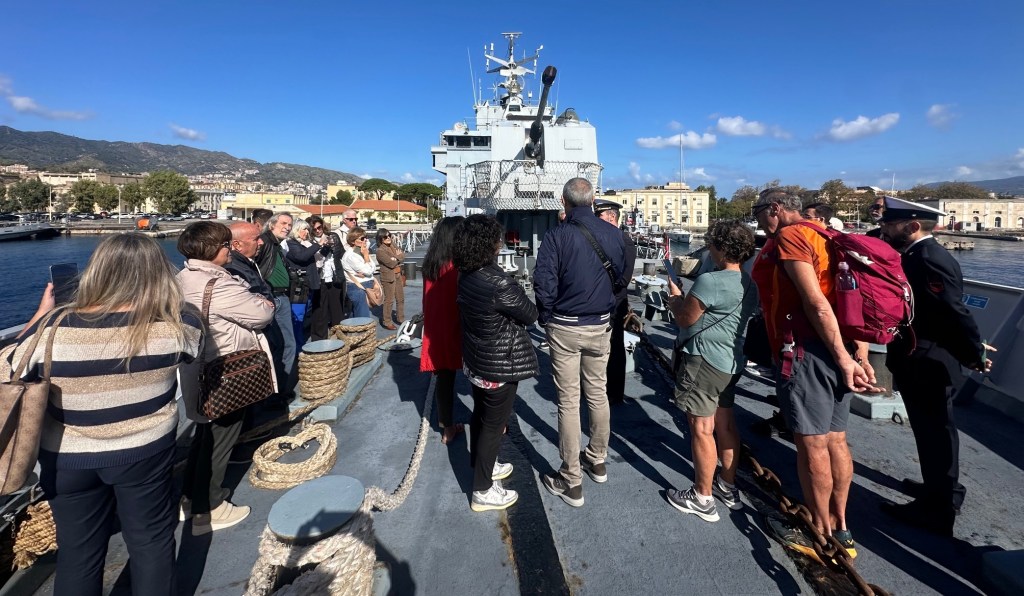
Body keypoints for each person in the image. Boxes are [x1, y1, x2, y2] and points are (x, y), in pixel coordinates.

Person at [4, 234, 202, 596]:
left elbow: (10, 370)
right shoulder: (181, 323)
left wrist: (40, 317)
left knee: (78, 555)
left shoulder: (55, 327)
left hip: (67, 458)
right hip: (145, 452)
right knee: (151, 543)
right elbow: (192, 353)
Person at [750, 187, 878, 559]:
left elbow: (817, 303)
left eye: (760, 213)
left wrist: (841, 357)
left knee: (812, 444)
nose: (759, 221)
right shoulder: (827, 235)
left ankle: (818, 532)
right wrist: (860, 354)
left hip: (808, 352)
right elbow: (852, 302)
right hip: (843, 349)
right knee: (837, 440)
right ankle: (841, 526)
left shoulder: (791, 236)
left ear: (774, 209)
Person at [877, 196, 994, 536]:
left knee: (935, 432)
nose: (884, 227)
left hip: (929, 360)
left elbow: (952, 312)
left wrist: (974, 353)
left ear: (912, 226)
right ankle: (941, 490)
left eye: (890, 223)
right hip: (921, 355)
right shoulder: (915, 255)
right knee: (931, 431)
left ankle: (938, 510)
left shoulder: (928, 259)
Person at [177, 221, 276, 535]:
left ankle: (190, 499)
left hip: (197, 368)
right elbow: (260, 314)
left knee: (203, 437)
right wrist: (265, 302)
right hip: (226, 370)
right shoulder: (217, 284)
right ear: (212, 250)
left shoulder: (182, 278)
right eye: (224, 245)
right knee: (223, 437)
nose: (228, 249)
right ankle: (212, 506)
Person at [535, 177, 627, 508]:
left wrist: (546, 318)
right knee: (598, 393)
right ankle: (597, 459)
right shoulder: (616, 235)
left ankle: (571, 479)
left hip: (565, 327)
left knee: (569, 402)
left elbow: (543, 283)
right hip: (601, 325)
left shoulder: (557, 235)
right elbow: (622, 280)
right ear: (593, 200)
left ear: (565, 201)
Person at [663, 220, 758, 522]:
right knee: (726, 425)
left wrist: (675, 299)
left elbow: (685, 320)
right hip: (730, 362)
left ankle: (702, 497)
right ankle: (726, 486)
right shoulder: (749, 284)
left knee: (701, 429)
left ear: (719, 248)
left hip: (704, 361)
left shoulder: (710, 281)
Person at [454, 214, 539, 511]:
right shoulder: (499, 282)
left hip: (477, 358)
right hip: (499, 361)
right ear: (489, 244)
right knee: (494, 424)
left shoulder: (465, 273)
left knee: (480, 416)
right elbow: (530, 314)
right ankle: (482, 490)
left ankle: (483, 466)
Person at [421, 216, 466, 444]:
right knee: (479, 376)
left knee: (444, 379)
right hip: (460, 325)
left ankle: (447, 428)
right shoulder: (459, 266)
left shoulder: (431, 265)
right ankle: (494, 424)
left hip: (437, 328)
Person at [593, 198, 636, 404]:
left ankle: (614, 393)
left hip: (615, 302)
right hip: (597, 301)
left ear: (611, 217)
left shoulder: (624, 240)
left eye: (599, 215)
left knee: (615, 347)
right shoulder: (599, 238)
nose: (596, 219)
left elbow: (624, 279)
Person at [254, 212, 297, 401]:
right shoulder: (264, 242)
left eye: (290, 224)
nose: (287, 227)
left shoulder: (275, 245)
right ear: (271, 225)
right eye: (284, 223)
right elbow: (252, 269)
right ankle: (280, 391)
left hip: (280, 297)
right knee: (286, 345)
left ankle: (277, 388)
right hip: (273, 298)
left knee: (280, 345)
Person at [284, 219, 330, 344]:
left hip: (309, 285)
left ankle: (299, 344)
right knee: (297, 318)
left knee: (303, 315)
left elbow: (317, 259)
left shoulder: (306, 244)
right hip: (299, 287)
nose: (307, 232)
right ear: (296, 230)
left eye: (307, 229)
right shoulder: (292, 243)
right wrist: (318, 244)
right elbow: (302, 256)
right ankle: (297, 347)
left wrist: (327, 247)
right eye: (303, 229)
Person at [308, 216, 347, 335]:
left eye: (319, 227)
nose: (318, 230)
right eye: (314, 229)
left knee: (337, 309)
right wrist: (324, 247)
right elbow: (315, 260)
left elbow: (341, 254)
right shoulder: (309, 242)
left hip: (335, 276)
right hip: (320, 278)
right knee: (320, 310)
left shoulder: (333, 236)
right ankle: (320, 338)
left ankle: (339, 335)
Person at [341, 226, 376, 318]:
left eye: (366, 237)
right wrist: (366, 257)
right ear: (353, 241)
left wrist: (366, 258)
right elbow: (369, 271)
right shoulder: (350, 256)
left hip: (365, 286)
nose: (365, 240)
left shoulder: (361, 252)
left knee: (356, 315)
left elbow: (373, 268)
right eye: (362, 238)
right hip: (358, 288)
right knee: (362, 317)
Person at [375, 228, 405, 330]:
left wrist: (396, 257)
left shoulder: (393, 245)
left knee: (400, 299)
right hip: (388, 277)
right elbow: (391, 264)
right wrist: (397, 257)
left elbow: (403, 255)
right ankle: (387, 322)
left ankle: (401, 319)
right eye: (385, 237)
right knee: (389, 300)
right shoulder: (380, 251)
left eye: (389, 236)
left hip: (398, 275)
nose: (388, 238)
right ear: (380, 239)